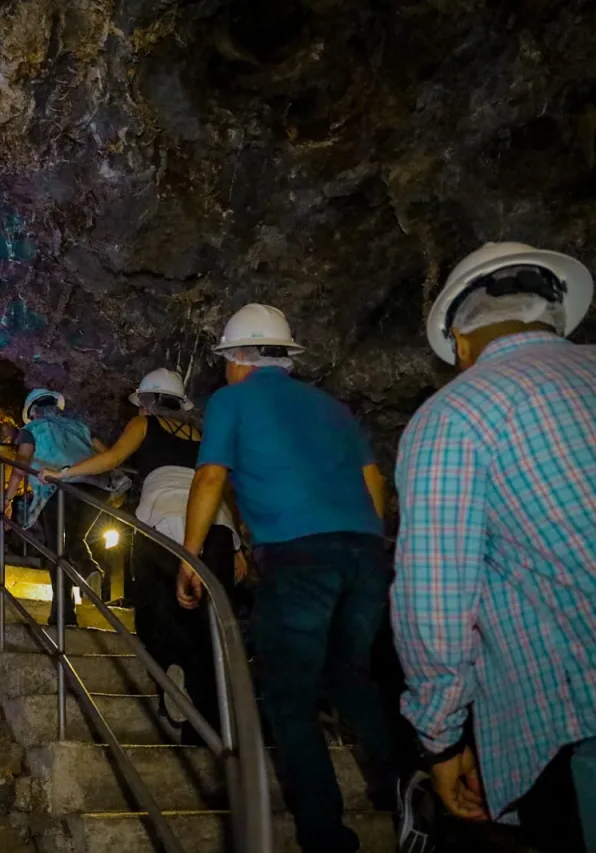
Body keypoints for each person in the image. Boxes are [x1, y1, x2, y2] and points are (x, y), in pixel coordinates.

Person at [391, 242, 596, 851]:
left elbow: (435, 597)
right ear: (556, 314)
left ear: (460, 343)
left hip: (594, 727)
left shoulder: (459, 413)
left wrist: (441, 737)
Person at [176, 304, 416, 853]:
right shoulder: (333, 408)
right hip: (363, 552)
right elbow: (371, 482)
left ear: (238, 357)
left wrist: (191, 556)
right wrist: (364, 547)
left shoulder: (232, 400)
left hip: (297, 556)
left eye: (226, 362)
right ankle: (409, 791)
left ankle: (325, 835)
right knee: (352, 677)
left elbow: (212, 474)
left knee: (289, 696)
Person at [46, 368, 242, 731]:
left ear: (147, 403)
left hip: (165, 522)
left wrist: (64, 473)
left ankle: (171, 670)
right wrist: (239, 545)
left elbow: (112, 459)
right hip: (216, 526)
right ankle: (215, 726)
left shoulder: (145, 426)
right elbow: (223, 485)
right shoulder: (202, 435)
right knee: (211, 625)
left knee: (154, 609)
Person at [4, 388, 112, 626]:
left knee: (57, 552)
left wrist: (8, 498)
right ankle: (88, 567)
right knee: (76, 539)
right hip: (95, 487)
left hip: (57, 489)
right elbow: (107, 454)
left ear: (32, 412)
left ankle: (64, 614)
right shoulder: (80, 426)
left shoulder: (31, 430)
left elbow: (21, 463)